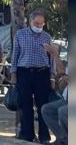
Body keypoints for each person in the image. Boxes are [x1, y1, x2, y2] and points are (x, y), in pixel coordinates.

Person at [10, 10, 54, 143]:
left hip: (42, 73)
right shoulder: (20, 35)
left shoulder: (47, 37)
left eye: (41, 24)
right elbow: (15, 54)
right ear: (30, 22)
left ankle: (44, 136)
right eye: (36, 23)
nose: (39, 26)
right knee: (25, 105)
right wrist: (13, 73)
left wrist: (52, 76)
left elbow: (51, 58)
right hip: (24, 73)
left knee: (43, 106)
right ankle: (27, 135)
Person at [41, 43, 67, 144]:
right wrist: (55, 54)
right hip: (67, 99)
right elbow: (62, 73)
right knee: (47, 109)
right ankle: (63, 139)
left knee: (63, 111)